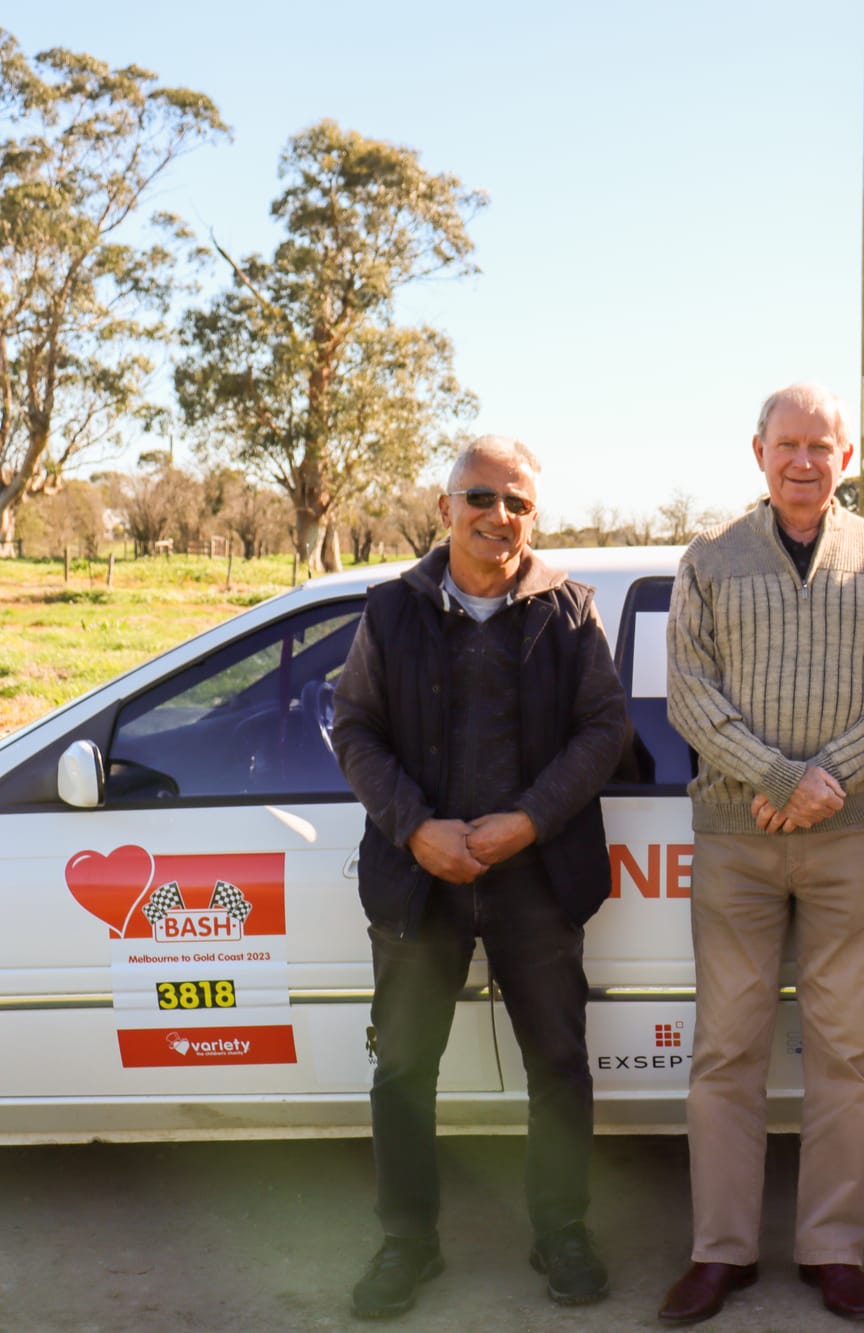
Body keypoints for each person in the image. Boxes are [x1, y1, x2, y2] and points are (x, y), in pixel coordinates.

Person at [331, 435, 632, 1318]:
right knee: (401, 1072)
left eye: (517, 503)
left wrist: (529, 820)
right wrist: (415, 827)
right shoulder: (391, 611)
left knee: (559, 1066)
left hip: (536, 878)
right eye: (481, 499)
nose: (498, 517)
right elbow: (355, 728)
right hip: (419, 876)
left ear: (533, 516)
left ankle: (561, 1230)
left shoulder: (570, 611)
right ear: (445, 508)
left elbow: (604, 730)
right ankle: (408, 1242)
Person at [659, 384, 864, 1325]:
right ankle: (720, 1251)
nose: (805, 461)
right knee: (726, 1049)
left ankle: (833, 1248)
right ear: (758, 451)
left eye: (822, 445)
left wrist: (829, 776)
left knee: (848, 1052)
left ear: (846, 455)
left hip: (852, 836)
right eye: (789, 445)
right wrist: (777, 777)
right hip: (738, 842)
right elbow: (689, 696)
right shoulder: (708, 560)